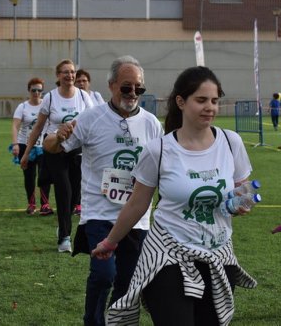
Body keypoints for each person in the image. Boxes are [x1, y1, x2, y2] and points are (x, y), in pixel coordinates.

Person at [91, 66, 257, 326]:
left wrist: (242, 201)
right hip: (168, 257)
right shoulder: (158, 150)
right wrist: (110, 242)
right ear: (181, 101)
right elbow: (137, 204)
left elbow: (243, 187)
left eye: (214, 101)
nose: (210, 108)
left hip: (218, 254)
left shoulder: (230, 142)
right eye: (201, 100)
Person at [44, 55, 163, 326]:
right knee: (103, 274)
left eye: (138, 88)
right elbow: (52, 147)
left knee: (128, 280)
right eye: (126, 87)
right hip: (99, 213)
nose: (133, 93)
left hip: (137, 218)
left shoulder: (152, 125)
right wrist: (57, 136)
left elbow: (162, 169)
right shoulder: (90, 119)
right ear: (111, 85)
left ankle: (115, 320)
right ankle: (93, 321)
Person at [21, 59, 93, 253]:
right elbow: (37, 128)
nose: (70, 76)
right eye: (65, 72)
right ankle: (65, 238)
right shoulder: (51, 98)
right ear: (58, 76)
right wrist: (26, 153)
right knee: (64, 191)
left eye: (72, 72)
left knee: (75, 195)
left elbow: (94, 123)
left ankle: (63, 226)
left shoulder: (84, 97)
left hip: (77, 151)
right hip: (54, 150)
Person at [11, 77, 53, 216]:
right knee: (29, 177)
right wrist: (15, 143)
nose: (36, 93)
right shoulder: (22, 107)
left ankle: (45, 204)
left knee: (44, 176)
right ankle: (31, 204)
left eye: (39, 90)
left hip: (43, 145)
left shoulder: (46, 105)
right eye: (33, 90)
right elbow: (15, 126)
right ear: (29, 90)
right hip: (25, 145)